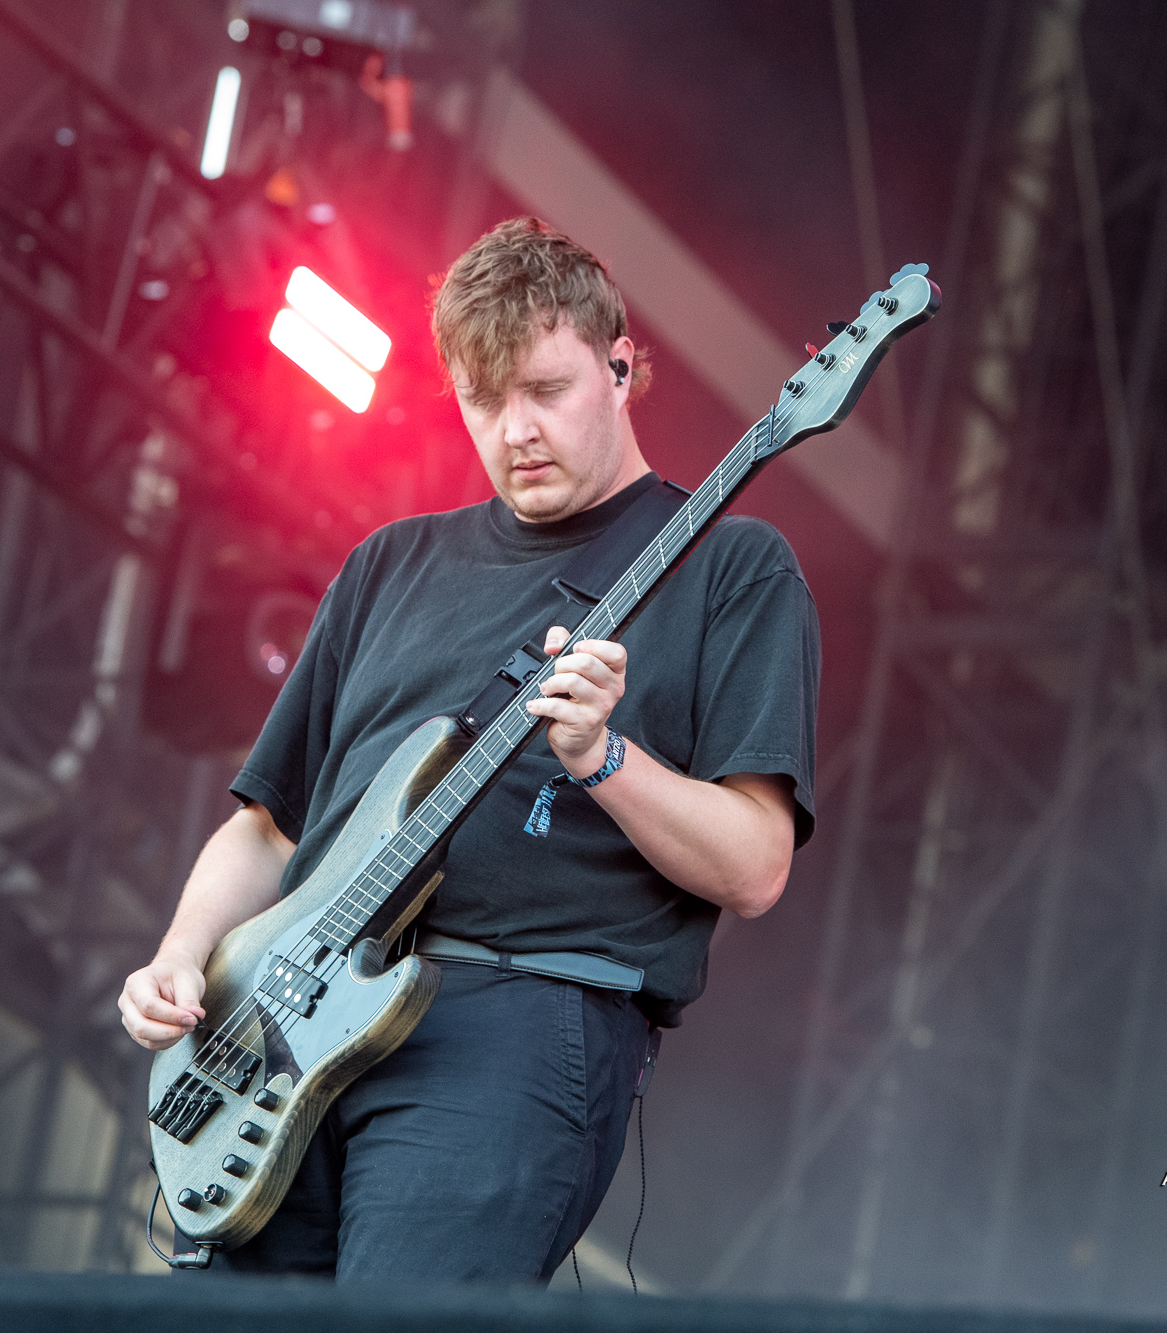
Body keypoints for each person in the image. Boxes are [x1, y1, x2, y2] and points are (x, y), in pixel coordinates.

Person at [117, 217, 820, 1283]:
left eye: (545, 389)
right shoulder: (389, 563)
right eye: (482, 400)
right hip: (280, 1025)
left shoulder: (731, 567)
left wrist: (603, 759)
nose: (514, 430)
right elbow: (267, 828)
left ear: (621, 367)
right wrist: (180, 957)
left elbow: (756, 865)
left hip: (512, 1025)